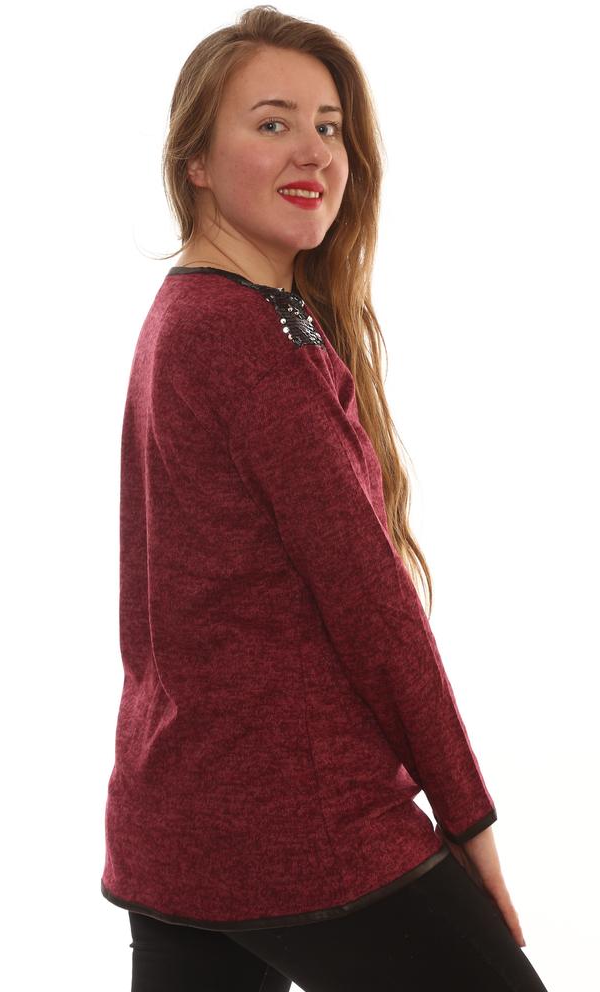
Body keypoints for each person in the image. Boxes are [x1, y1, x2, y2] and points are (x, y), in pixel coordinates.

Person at [100, 6, 550, 990]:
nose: (313, 151)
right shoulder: (240, 338)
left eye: (329, 126)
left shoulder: (192, 314)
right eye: (272, 122)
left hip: (176, 821)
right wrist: (468, 819)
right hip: (302, 822)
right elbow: (373, 610)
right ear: (196, 162)